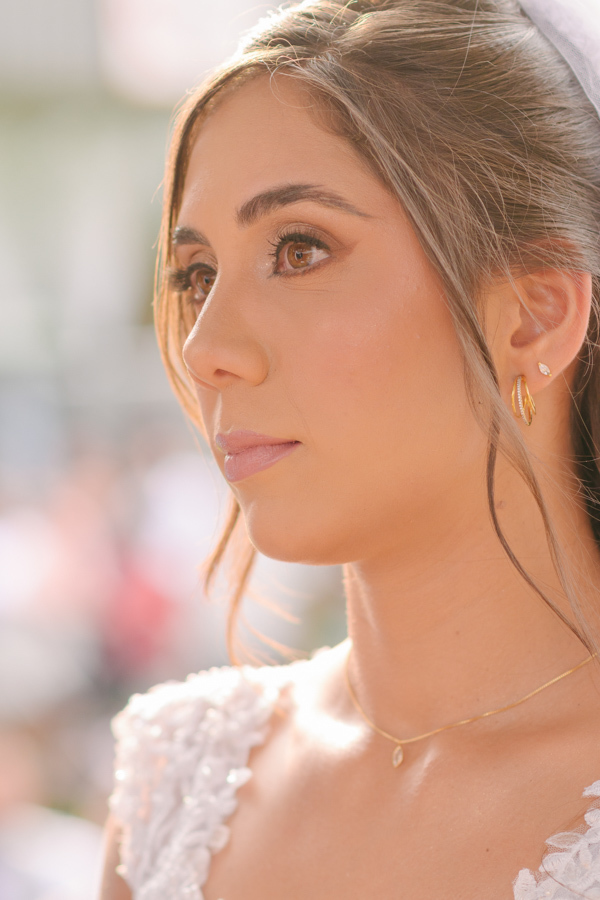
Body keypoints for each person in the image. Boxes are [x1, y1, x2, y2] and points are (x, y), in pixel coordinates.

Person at [99, 1, 600, 897]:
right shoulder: (174, 788)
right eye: (197, 274)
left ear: (534, 313)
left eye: (298, 248)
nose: (206, 346)